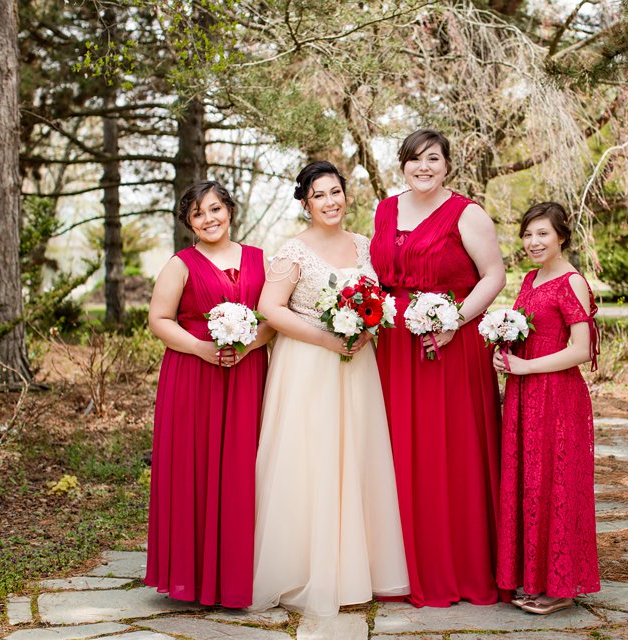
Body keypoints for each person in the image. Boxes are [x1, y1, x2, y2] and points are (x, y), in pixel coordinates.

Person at [250, 161, 409, 616]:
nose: (330, 201)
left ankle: (359, 569)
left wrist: (366, 331)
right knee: (311, 459)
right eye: (319, 195)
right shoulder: (292, 252)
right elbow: (270, 308)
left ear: (346, 195)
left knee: (357, 455)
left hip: (357, 366)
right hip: (307, 366)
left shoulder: (364, 245)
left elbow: (378, 302)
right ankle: (305, 570)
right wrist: (326, 337)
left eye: (335, 191)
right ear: (305, 203)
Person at [370, 129, 508, 607]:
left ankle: (457, 565)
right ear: (402, 165)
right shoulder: (385, 210)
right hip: (393, 346)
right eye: (414, 159)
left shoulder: (467, 213)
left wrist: (457, 319)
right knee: (397, 449)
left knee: (448, 450)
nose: (423, 167)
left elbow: (494, 275)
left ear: (447, 164)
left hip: (448, 343)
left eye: (433, 159)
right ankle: (399, 566)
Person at [145, 181, 273, 608]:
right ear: (189, 223)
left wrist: (250, 346)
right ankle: (193, 575)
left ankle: (241, 572)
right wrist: (202, 348)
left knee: (244, 467)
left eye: (215, 208)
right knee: (194, 468)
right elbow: (159, 319)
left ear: (230, 210)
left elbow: (274, 315)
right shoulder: (180, 264)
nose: (209, 219)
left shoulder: (260, 259)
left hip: (247, 373)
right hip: (193, 376)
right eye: (198, 214)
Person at [492, 202, 601, 614]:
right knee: (529, 484)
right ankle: (533, 578)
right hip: (524, 397)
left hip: (557, 396)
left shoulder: (572, 281)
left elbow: (580, 348)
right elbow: (526, 332)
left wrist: (526, 366)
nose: (534, 242)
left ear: (561, 237)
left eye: (542, 234)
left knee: (556, 485)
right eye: (528, 234)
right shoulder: (530, 279)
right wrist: (503, 356)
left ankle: (561, 586)